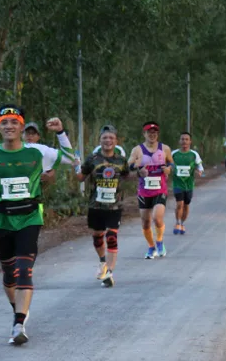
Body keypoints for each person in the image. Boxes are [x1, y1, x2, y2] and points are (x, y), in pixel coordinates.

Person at [0, 105, 75, 346]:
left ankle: (19, 323)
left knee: (23, 269)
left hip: (29, 217)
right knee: (9, 273)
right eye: (4, 122)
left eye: (14, 122)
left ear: (21, 126)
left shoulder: (37, 152)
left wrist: (61, 133)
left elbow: (71, 159)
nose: (9, 126)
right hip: (1, 220)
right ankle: (17, 309)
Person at [77, 125, 129, 287]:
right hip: (96, 206)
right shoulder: (92, 159)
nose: (108, 141)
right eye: (105, 138)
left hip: (114, 206)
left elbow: (127, 177)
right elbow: (81, 178)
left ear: (116, 141)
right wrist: (75, 165)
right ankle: (102, 261)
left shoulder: (121, 160)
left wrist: (140, 174)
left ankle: (109, 272)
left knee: (112, 237)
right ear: (100, 140)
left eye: (111, 138)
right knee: (98, 236)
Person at [128, 121, 174, 259]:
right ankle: (151, 246)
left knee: (157, 218)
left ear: (157, 134)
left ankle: (159, 241)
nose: (152, 135)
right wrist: (138, 170)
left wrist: (168, 168)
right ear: (144, 134)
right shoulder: (137, 150)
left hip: (160, 189)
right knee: (145, 222)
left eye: (154, 132)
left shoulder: (164, 148)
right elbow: (129, 165)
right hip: (144, 190)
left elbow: (171, 162)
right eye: (149, 132)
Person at [171, 132, 204, 235]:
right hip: (177, 183)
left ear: (190, 141)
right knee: (179, 203)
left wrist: (199, 170)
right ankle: (177, 223)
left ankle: (182, 223)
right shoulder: (174, 154)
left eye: (186, 139)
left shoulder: (194, 154)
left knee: (186, 205)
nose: (184, 141)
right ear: (179, 141)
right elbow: (167, 164)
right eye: (182, 139)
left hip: (189, 184)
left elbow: (200, 166)